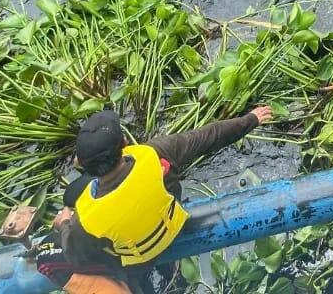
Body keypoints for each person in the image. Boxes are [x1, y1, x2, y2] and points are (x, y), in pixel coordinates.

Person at [35, 105, 273, 289]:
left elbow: (78, 258)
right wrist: (250, 119)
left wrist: (64, 224)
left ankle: (121, 287)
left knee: (47, 252)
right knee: (73, 193)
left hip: (138, 260)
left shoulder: (86, 220)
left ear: (82, 164)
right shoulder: (154, 154)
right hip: (172, 228)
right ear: (124, 144)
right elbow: (206, 137)